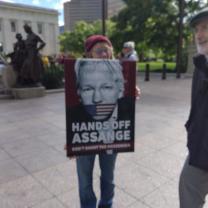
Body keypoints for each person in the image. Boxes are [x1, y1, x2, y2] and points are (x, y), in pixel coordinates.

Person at [73, 35, 132, 208]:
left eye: (107, 50)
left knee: (108, 176)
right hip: (84, 137)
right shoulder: (81, 72)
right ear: (89, 54)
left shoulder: (119, 75)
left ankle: (106, 204)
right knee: (84, 180)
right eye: (99, 51)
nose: (104, 54)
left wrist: (132, 93)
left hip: (112, 135)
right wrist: (72, 140)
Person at [179, 7, 208, 208]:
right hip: (201, 149)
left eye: (205, 28)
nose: (199, 34)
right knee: (188, 187)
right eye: (197, 29)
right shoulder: (201, 63)